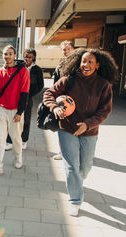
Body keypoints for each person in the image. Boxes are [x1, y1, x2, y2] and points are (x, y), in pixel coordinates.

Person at [43, 48, 118, 216]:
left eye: (90, 62)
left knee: (84, 167)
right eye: (84, 61)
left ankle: (77, 183)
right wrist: (54, 107)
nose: (86, 64)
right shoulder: (68, 80)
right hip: (67, 129)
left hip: (89, 132)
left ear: (97, 65)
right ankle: (75, 200)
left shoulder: (103, 85)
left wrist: (88, 124)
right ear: (79, 63)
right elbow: (49, 93)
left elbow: (104, 111)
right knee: (71, 167)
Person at [0, 45, 30, 176]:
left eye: (10, 54)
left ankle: (18, 157)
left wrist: (20, 112)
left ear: (14, 55)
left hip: (15, 110)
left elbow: (24, 93)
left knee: (16, 138)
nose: (7, 56)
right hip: (1, 109)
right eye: (5, 54)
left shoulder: (23, 71)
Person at [5, 48, 44, 151]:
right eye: (26, 56)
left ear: (34, 57)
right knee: (12, 119)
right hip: (15, 97)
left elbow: (40, 85)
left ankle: (24, 141)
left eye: (30, 57)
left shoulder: (37, 69)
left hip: (27, 98)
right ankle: (9, 141)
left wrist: (29, 94)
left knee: (26, 120)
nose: (27, 59)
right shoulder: (19, 67)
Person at [52, 40, 75, 160]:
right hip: (62, 100)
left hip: (74, 100)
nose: (65, 51)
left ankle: (73, 150)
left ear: (73, 49)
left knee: (73, 126)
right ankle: (62, 151)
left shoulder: (78, 63)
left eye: (67, 49)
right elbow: (55, 82)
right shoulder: (61, 64)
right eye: (63, 49)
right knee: (62, 125)